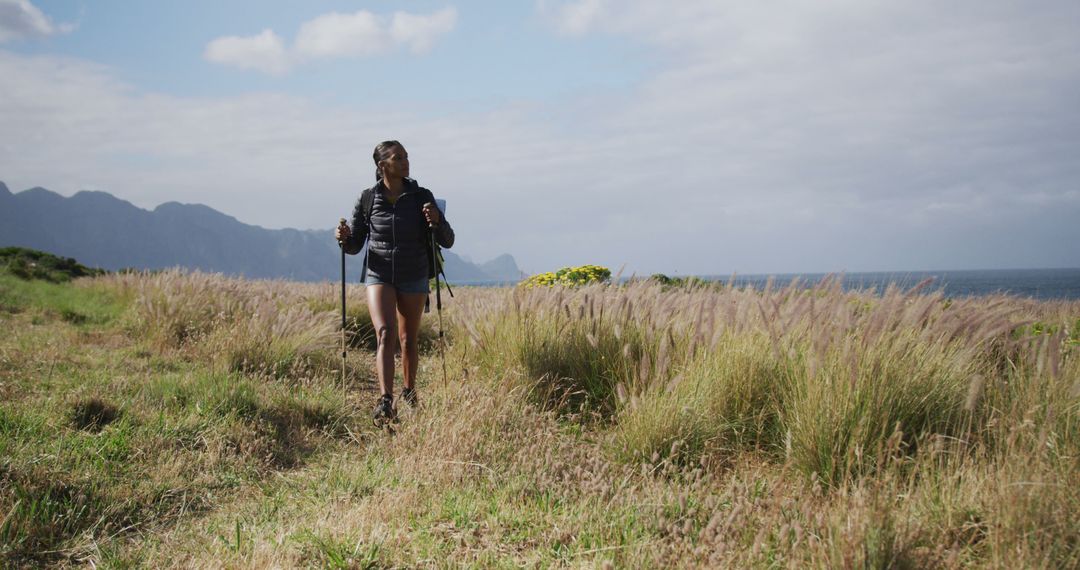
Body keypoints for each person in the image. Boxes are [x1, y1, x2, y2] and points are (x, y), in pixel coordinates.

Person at [335, 140, 454, 423]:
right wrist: (343, 239)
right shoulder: (367, 198)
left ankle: (410, 391)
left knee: (407, 339)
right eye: (398, 158)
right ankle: (386, 401)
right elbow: (354, 246)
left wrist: (437, 220)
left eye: (406, 157)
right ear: (382, 166)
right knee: (385, 333)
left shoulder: (421, 196)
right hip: (379, 273)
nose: (405, 162)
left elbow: (447, 240)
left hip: (414, 272)